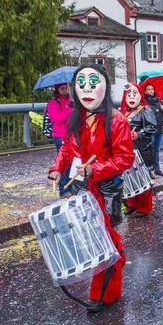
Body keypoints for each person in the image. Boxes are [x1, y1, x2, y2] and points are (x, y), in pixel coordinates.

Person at [48, 64, 134, 312]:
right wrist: (56, 167)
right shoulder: (77, 117)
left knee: (105, 240)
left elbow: (125, 158)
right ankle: (103, 290)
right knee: (91, 240)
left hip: (106, 189)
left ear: (104, 87)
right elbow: (66, 148)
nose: (86, 89)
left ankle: (105, 293)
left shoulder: (116, 120)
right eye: (81, 84)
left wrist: (94, 170)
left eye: (93, 83)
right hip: (82, 189)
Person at [122, 83, 157, 218]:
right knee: (130, 177)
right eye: (128, 94)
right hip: (129, 150)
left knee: (143, 178)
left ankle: (144, 207)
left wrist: (139, 134)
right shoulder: (124, 112)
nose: (131, 97)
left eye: (134, 94)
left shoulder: (145, 110)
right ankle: (132, 203)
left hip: (142, 149)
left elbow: (152, 127)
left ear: (140, 95)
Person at [46, 83, 74, 198]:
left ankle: (71, 187)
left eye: (66, 88)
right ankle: (63, 190)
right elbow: (56, 119)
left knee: (73, 162)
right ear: (57, 89)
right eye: (62, 88)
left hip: (71, 133)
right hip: (60, 135)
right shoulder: (53, 102)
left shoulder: (69, 100)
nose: (65, 90)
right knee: (63, 163)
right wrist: (69, 109)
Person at [142, 82, 163, 177]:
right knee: (149, 151)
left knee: (156, 150)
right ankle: (148, 171)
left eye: (152, 89)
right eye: (148, 89)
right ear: (145, 91)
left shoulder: (158, 100)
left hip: (159, 130)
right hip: (150, 131)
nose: (150, 91)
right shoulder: (144, 102)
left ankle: (157, 169)